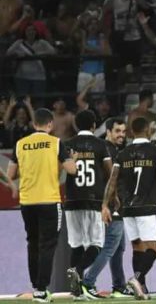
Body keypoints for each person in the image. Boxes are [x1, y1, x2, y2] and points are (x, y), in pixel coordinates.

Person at [6, 108, 77, 303]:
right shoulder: (55, 143)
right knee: (47, 245)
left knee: (33, 243)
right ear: (50, 124)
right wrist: (74, 160)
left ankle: (36, 286)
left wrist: (30, 168)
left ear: (33, 123)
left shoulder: (21, 144)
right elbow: (71, 170)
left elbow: (11, 174)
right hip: (49, 200)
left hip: (27, 202)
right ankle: (41, 289)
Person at [101, 117, 156, 300]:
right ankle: (137, 279)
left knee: (137, 247)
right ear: (148, 130)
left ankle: (142, 288)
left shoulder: (123, 153)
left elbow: (112, 180)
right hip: (147, 205)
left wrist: (104, 205)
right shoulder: (155, 151)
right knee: (154, 249)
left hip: (127, 207)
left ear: (132, 132)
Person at [63, 110, 113, 299]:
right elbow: (110, 173)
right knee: (97, 243)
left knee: (76, 244)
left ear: (76, 125)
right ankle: (77, 270)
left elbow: (63, 171)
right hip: (94, 199)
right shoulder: (100, 145)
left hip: (73, 199)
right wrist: (111, 198)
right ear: (93, 125)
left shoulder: (68, 144)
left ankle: (76, 290)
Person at [82, 118, 132, 298]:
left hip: (111, 204)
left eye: (124, 131)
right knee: (111, 245)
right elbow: (108, 180)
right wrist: (107, 204)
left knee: (119, 247)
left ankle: (119, 285)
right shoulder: (107, 150)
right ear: (108, 132)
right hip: (111, 205)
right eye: (117, 131)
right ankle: (88, 282)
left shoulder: (112, 150)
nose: (121, 135)